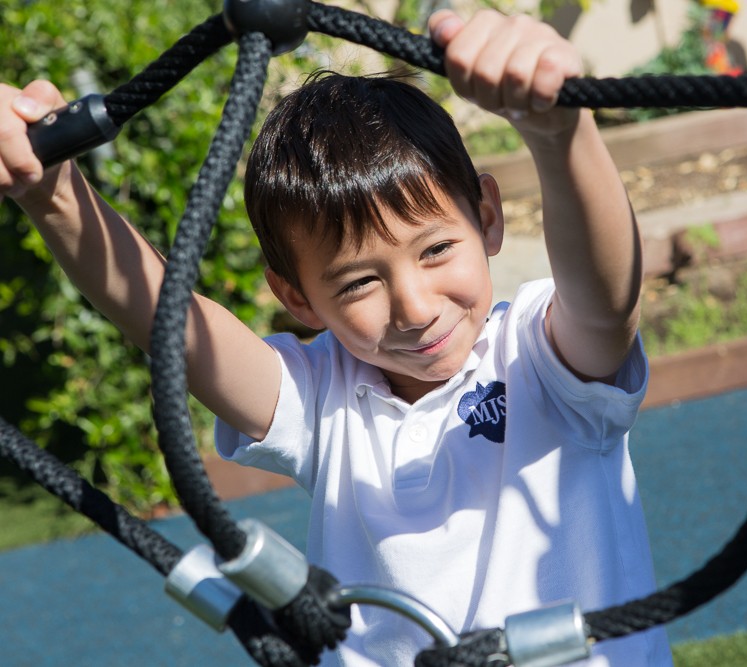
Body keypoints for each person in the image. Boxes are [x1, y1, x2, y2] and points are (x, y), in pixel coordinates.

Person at [0, 8, 672, 666]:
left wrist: (560, 132)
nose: (413, 306)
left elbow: (607, 301)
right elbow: (173, 325)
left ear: (488, 217)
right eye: (357, 284)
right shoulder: (324, 397)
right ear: (298, 297)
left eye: (436, 250)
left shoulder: (541, 362)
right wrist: (53, 193)